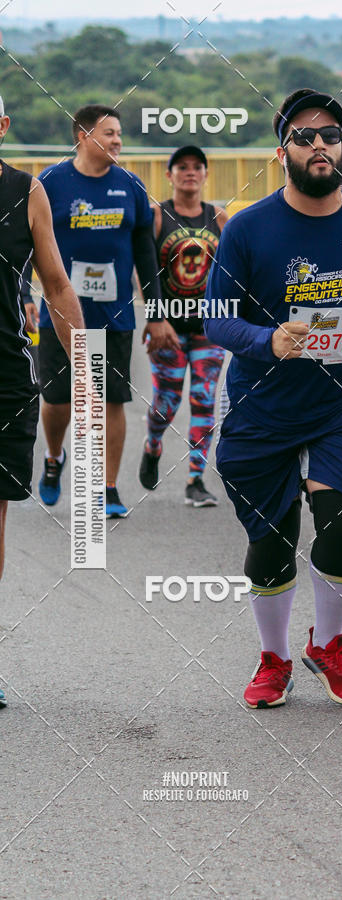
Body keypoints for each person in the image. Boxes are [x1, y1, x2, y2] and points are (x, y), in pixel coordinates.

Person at [204, 88, 342, 709]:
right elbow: (216, 320)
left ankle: (327, 644)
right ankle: (273, 658)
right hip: (262, 409)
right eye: (303, 136)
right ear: (283, 153)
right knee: (272, 545)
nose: (319, 144)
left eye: (330, 135)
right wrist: (266, 340)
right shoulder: (248, 229)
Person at [36, 104, 174, 518]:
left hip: (115, 314)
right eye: (109, 133)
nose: (118, 141)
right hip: (60, 316)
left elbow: (145, 254)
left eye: (120, 133)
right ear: (83, 136)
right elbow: (29, 244)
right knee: (58, 400)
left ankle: (108, 487)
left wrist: (157, 313)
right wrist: (25, 295)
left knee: (112, 400)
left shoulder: (130, 185)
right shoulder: (51, 183)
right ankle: (55, 457)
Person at [0, 94, 85, 706]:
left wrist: (86, 369)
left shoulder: (27, 192)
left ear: (3, 125)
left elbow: (56, 284)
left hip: (5, 376)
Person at [138, 145, 227, 506]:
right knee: (167, 402)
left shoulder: (218, 217)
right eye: (182, 167)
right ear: (169, 175)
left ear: (205, 174)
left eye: (197, 167)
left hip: (208, 327)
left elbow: (232, 270)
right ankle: (153, 444)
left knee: (204, 400)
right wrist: (155, 317)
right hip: (168, 328)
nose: (190, 172)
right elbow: (144, 270)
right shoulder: (157, 216)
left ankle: (195, 478)